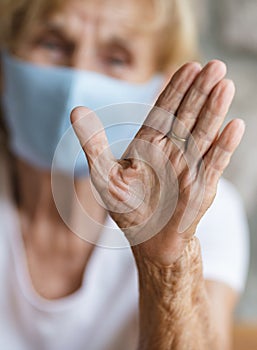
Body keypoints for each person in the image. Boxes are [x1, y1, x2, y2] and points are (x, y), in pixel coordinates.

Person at [0, 0, 249, 349]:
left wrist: (166, 267)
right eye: (52, 44)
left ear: (158, 90)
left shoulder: (197, 210)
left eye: (116, 59)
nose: (78, 76)